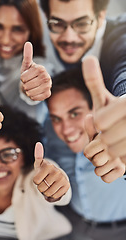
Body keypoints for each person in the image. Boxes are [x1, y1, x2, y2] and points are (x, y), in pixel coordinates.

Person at [0, 105, 72, 240]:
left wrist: (56, 190)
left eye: (9, 154)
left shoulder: (33, 178)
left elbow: (58, 191)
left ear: (24, 157)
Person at [46, 66, 126, 240]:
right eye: (56, 118)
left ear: (94, 108)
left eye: (74, 113)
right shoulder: (51, 140)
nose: (66, 129)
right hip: (76, 226)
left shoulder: (119, 142)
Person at [0, 0, 52, 123]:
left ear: (31, 31)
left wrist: (32, 86)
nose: (5, 40)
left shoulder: (39, 66)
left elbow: (35, 79)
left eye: (17, 29)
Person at [40, 0, 126, 96]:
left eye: (82, 24)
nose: (69, 38)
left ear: (101, 17)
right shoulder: (38, 37)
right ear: (46, 16)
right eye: (58, 24)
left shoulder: (121, 38)